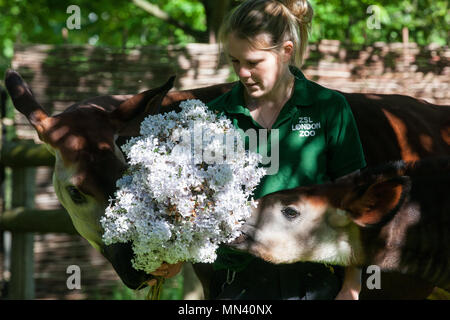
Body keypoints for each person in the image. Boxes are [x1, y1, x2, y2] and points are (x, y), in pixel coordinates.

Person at [148, 0, 366, 300]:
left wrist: (352, 285)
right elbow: (193, 204)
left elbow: (355, 202)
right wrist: (174, 257)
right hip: (238, 287)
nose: (243, 73)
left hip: (315, 283)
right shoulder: (212, 119)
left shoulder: (329, 108)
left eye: (253, 62)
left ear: (286, 51)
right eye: (235, 61)